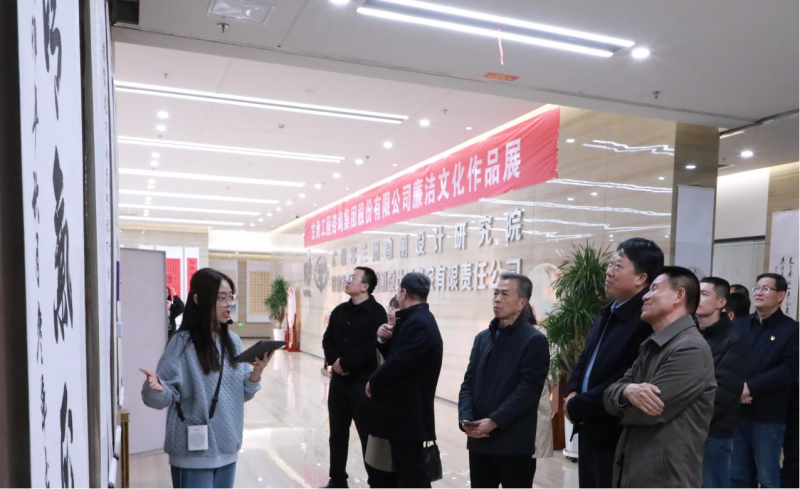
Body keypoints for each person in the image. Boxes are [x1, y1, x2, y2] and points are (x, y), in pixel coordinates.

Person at [140, 268, 271, 489]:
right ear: (198, 300)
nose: (228, 304)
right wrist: (156, 388)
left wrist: (256, 373)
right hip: (192, 453)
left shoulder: (233, 342)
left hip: (227, 448)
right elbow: (163, 396)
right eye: (221, 298)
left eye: (230, 297)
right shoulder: (182, 343)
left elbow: (241, 394)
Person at [564, 238, 664, 489]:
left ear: (641, 278)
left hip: (615, 433)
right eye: (610, 264)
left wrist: (578, 405)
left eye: (618, 266)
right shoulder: (608, 311)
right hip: (589, 427)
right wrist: (572, 390)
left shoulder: (646, 320)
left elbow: (627, 377)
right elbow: (585, 358)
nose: (608, 272)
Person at [604, 266, 716, 489]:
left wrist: (620, 400)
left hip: (665, 478)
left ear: (679, 295)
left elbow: (648, 412)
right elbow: (611, 393)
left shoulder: (689, 348)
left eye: (654, 289)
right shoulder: (653, 344)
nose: (645, 296)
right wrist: (626, 391)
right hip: (636, 471)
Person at [458, 273, 550, 489]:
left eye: (504, 294)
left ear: (522, 303)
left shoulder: (534, 340)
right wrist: (465, 418)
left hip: (513, 444)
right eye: (495, 293)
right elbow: (468, 383)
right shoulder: (482, 338)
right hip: (479, 440)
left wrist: (494, 421)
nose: (497, 299)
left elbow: (528, 392)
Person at [367, 273, 443, 489]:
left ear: (403, 293)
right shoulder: (413, 319)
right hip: (403, 415)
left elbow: (399, 362)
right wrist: (383, 339)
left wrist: (373, 382)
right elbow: (398, 355)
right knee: (404, 471)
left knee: (412, 476)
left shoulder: (420, 322)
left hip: (410, 415)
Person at [320, 267, 387, 489]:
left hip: (362, 384)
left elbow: (372, 346)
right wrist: (335, 362)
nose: (347, 281)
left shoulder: (377, 313)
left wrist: (345, 363)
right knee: (337, 433)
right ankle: (337, 480)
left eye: (352, 278)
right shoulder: (339, 311)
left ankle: (376, 482)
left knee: (368, 436)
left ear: (365, 286)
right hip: (338, 383)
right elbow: (327, 339)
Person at [732, 273, 800, 489]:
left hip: (769, 414)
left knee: (768, 476)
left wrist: (749, 387)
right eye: (757, 288)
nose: (759, 293)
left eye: (766, 289)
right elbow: (729, 361)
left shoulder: (792, 330)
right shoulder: (739, 326)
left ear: (781, 295)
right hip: (737, 411)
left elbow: (787, 370)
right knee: (738, 476)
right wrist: (738, 388)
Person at [696, 277, 749, 489]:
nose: (697, 298)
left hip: (714, 431)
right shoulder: (691, 333)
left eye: (704, 294)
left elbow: (723, 392)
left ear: (721, 302)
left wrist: (691, 419)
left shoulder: (734, 339)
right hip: (686, 429)